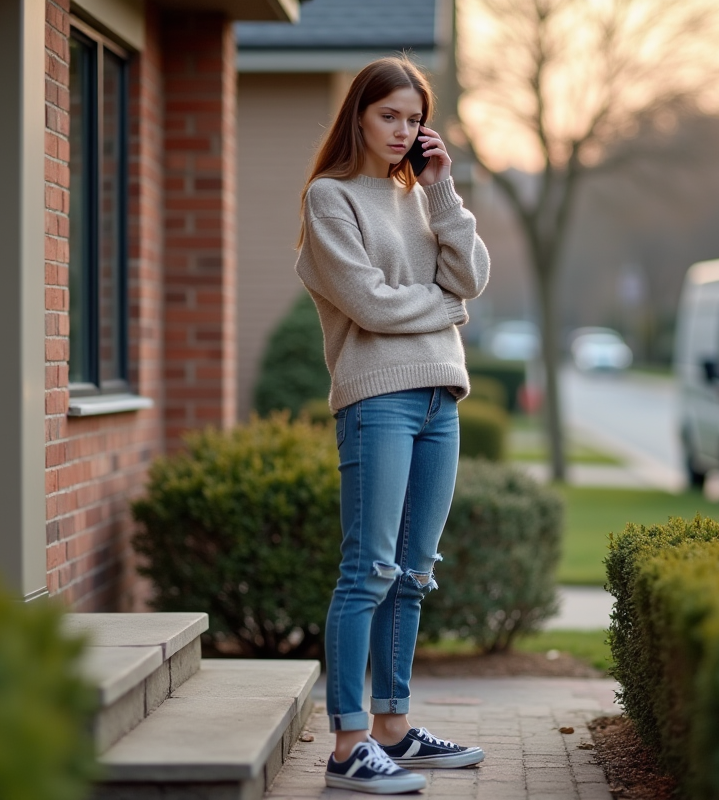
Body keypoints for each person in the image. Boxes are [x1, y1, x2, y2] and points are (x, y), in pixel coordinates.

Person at [294, 55, 491, 794]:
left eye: (414, 119)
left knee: (413, 574)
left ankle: (393, 728)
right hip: (377, 396)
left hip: (443, 396)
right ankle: (348, 745)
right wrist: (443, 311)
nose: (404, 131)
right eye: (390, 116)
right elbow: (372, 305)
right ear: (359, 116)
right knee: (368, 571)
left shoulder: (421, 197)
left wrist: (443, 192)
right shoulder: (330, 198)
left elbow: (470, 277)